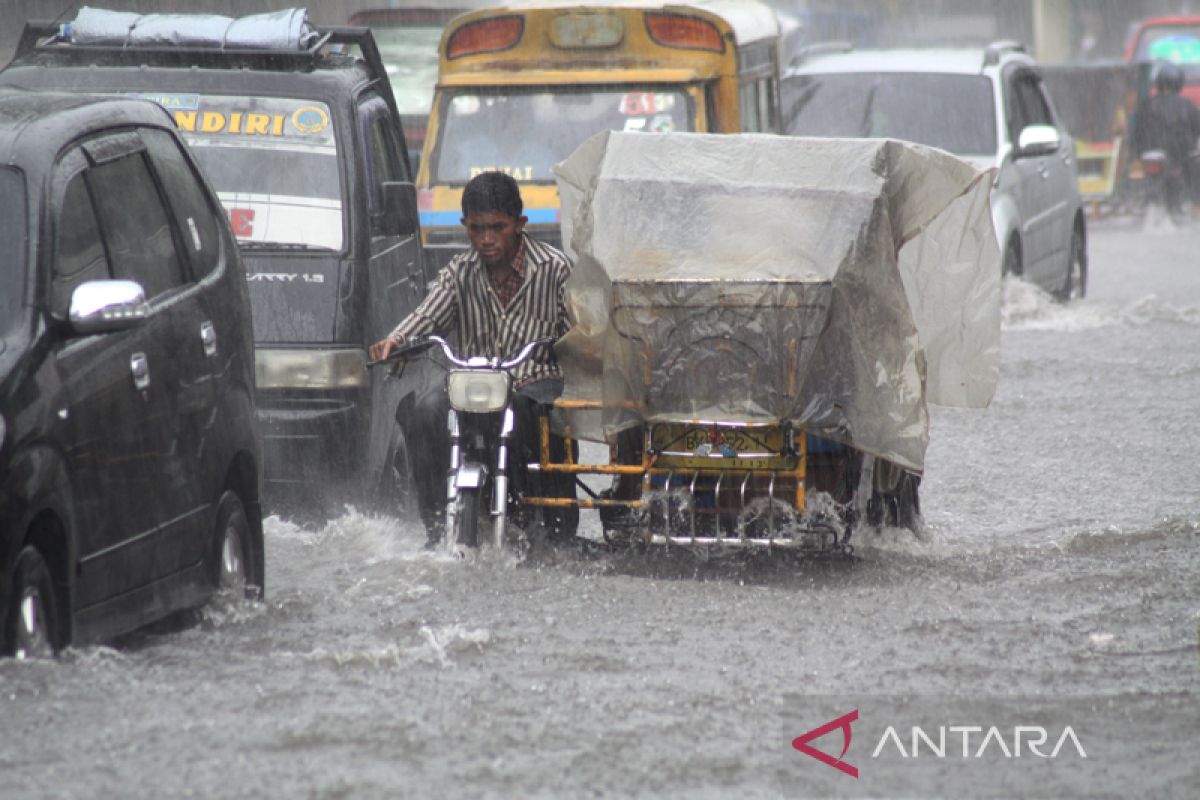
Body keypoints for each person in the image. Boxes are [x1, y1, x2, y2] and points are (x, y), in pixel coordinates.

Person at [369, 171, 577, 546]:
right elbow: (428, 313)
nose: (487, 239)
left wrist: (579, 347)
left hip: (532, 383)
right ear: (465, 225)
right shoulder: (459, 272)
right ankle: (435, 527)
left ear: (519, 224)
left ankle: (551, 530)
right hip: (470, 383)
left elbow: (579, 332)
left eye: (497, 227)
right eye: (477, 228)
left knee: (544, 419)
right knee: (424, 414)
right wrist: (397, 340)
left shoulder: (555, 269)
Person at [1135, 61, 1200, 219]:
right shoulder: (1187, 105)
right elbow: (1196, 129)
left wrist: (1138, 154)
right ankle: (1196, 206)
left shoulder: (1147, 105)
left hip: (1151, 154)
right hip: (1179, 156)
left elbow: (1137, 133)